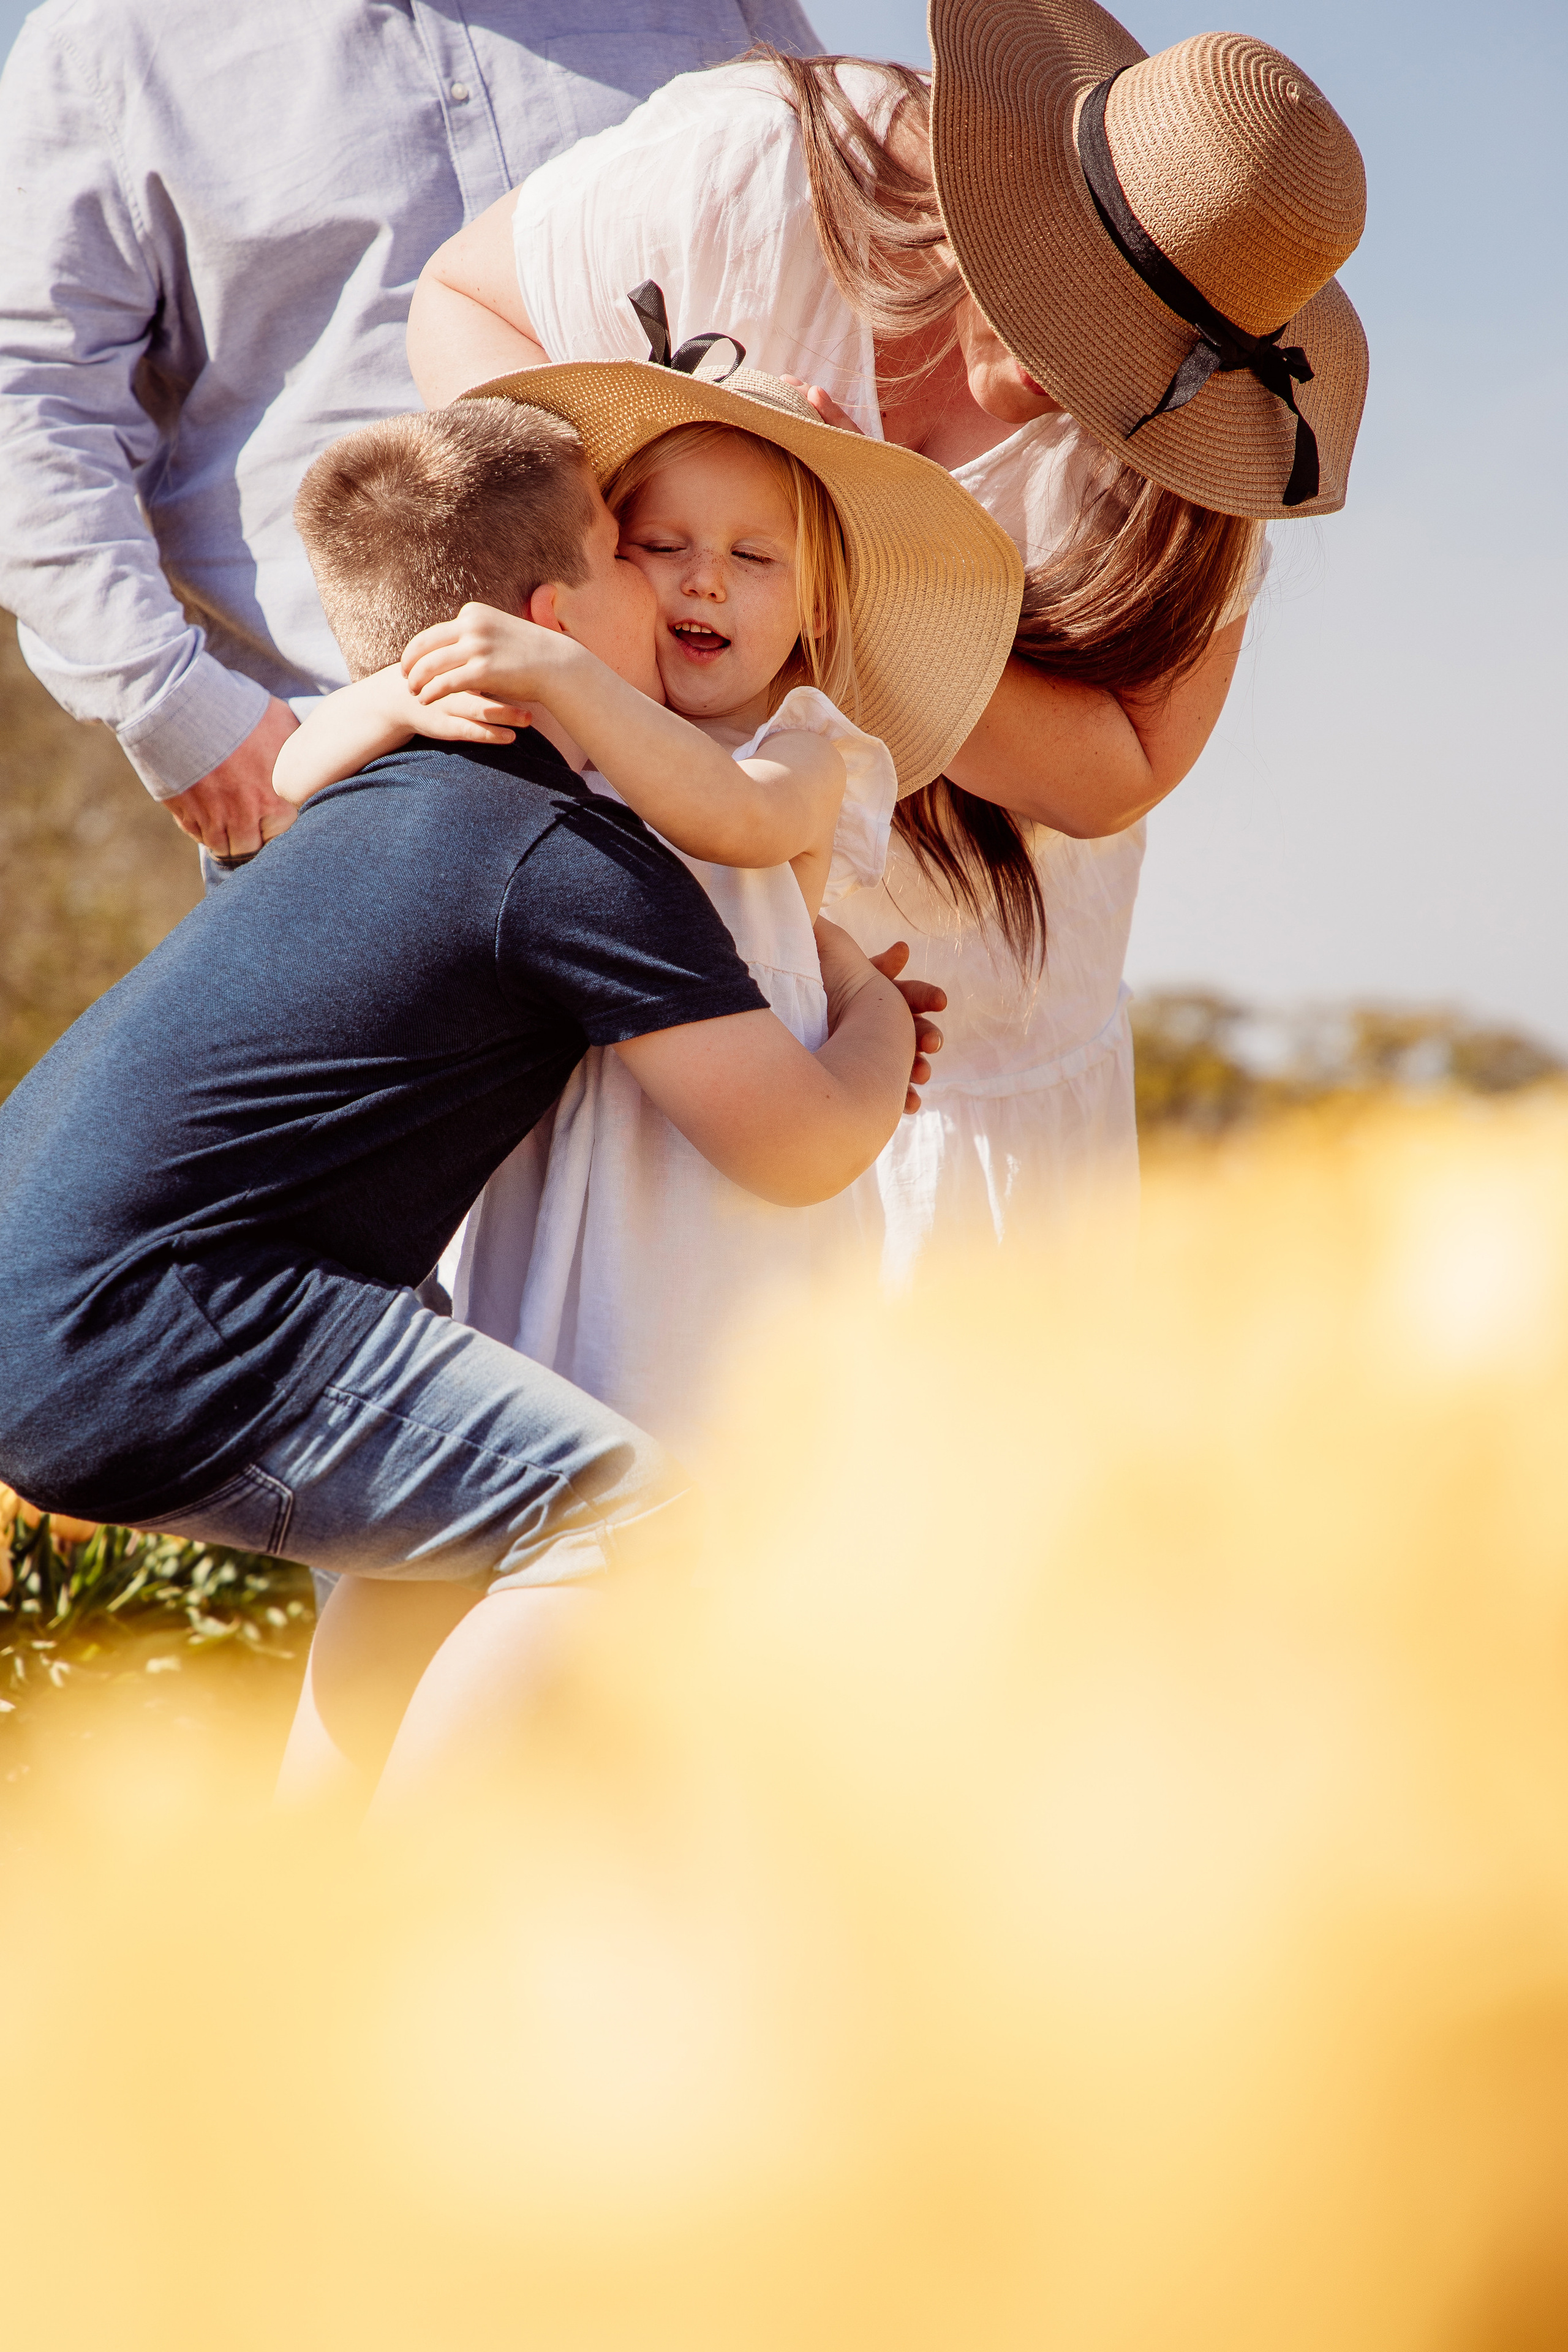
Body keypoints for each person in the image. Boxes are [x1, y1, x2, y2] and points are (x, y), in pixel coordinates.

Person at [0, 397, 937, 1816]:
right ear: (555, 621)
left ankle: (310, 1893)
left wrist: (376, 699)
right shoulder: (559, 854)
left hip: (51, 1280)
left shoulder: (366, 797)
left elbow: (261, 813)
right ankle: (406, 1939)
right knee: (627, 1521)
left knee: (432, 1550)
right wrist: (873, 1020)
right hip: (157, 1317)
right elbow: (800, 1145)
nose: (680, 581)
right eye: (638, 547)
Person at [405, 0, 1370, 1275]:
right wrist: (659, 512)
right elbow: (460, 302)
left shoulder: (1206, 450)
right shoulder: (753, 171)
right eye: (1063, 315)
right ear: (1004, 186)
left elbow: (1127, 764)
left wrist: (850, 588)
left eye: (1124, 371)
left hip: (972, 1046)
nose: (1058, 391)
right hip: (645, 959)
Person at [275, 358, 1022, 1456]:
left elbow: (731, 818)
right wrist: (412, 684)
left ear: (813, 602)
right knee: (524, 1447)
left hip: (715, 1188)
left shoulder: (804, 749)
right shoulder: (564, 750)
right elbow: (296, 776)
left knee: (704, 1458)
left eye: (753, 557)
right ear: (599, 579)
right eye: (661, 548)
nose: (703, 582)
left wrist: (564, 674)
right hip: (555, 1154)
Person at [0, 0, 817, 870]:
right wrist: (176, 709)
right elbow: (30, 402)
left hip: (716, 761)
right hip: (349, 771)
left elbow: (837, 239)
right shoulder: (115, 39)